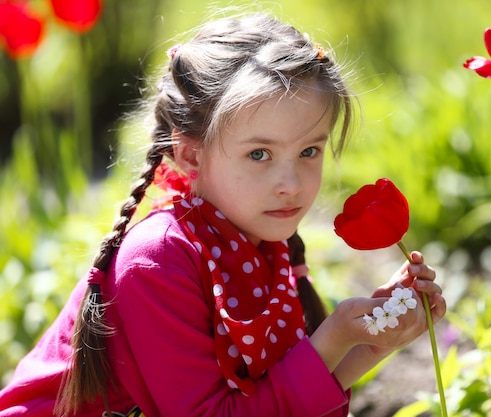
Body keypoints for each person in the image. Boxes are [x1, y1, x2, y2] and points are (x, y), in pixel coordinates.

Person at [0, 11, 446, 417]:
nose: (290, 182)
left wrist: (368, 340)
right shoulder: (159, 258)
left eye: (309, 150)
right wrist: (332, 339)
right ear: (190, 154)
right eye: (259, 154)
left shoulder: (260, 243)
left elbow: (274, 400)